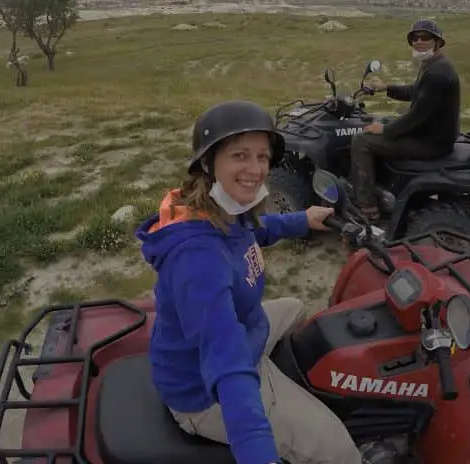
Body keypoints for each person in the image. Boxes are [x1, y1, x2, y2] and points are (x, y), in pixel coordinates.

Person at [135, 99, 367, 464]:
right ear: (209, 163)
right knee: (337, 449)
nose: (256, 169)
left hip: (244, 331)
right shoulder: (198, 259)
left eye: (262, 157)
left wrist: (303, 220)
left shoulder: (223, 210)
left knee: (296, 308)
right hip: (205, 390)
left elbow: (255, 231)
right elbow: (226, 365)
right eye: (240, 156)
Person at [349, 18, 461, 222]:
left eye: (424, 37)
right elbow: (416, 92)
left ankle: (366, 207)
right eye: (414, 38)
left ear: (437, 42)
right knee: (385, 122)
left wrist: (384, 130)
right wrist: (386, 88)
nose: (418, 41)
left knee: (362, 141)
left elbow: (416, 116)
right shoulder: (434, 64)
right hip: (433, 134)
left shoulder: (437, 73)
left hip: (431, 142)